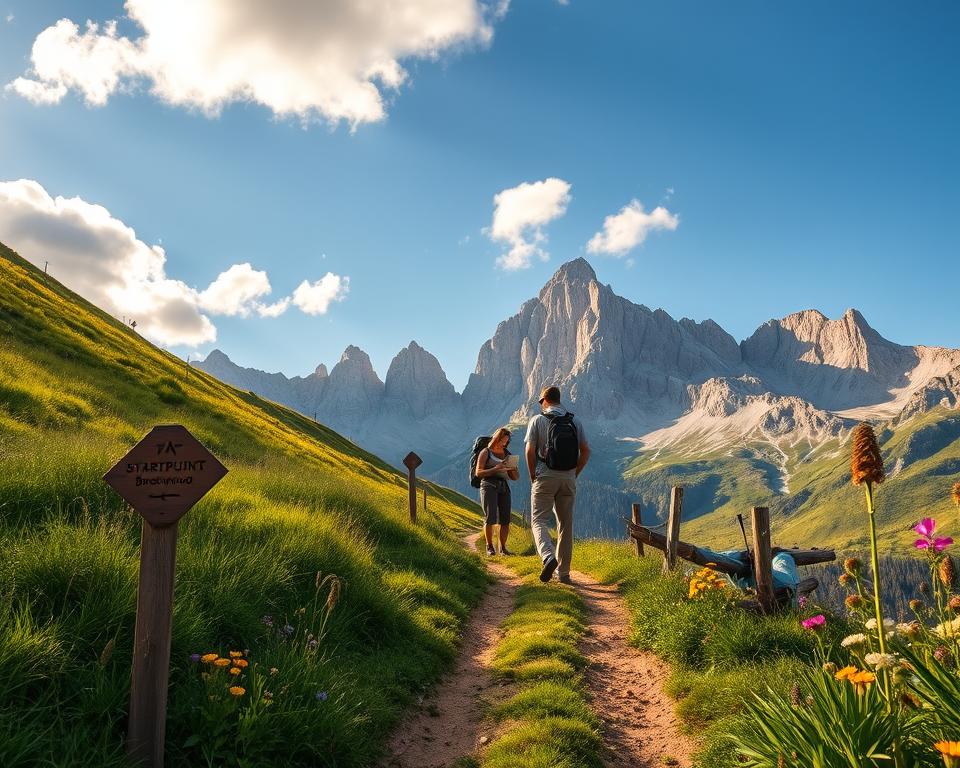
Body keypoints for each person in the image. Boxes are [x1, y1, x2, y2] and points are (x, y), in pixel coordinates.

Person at [524, 386, 590, 583]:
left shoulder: (537, 420)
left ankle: (548, 556)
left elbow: (529, 451)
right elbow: (586, 452)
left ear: (544, 400)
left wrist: (532, 475)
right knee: (565, 525)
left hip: (544, 476)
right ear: (559, 400)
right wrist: (573, 473)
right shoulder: (574, 420)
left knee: (538, 521)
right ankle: (564, 573)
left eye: (540, 401)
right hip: (568, 479)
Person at [475, 426, 519, 556]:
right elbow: (478, 472)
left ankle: (503, 548)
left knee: (505, 519)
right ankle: (489, 547)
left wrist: (512, 468)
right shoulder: (486, 452)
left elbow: (515, 478)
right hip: (488, 485)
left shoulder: (508, 455)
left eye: (506, 441)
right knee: (490, 517)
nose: (504, 443)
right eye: (502, 441)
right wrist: (496, 468)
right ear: (496, 439)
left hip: (503, 486)